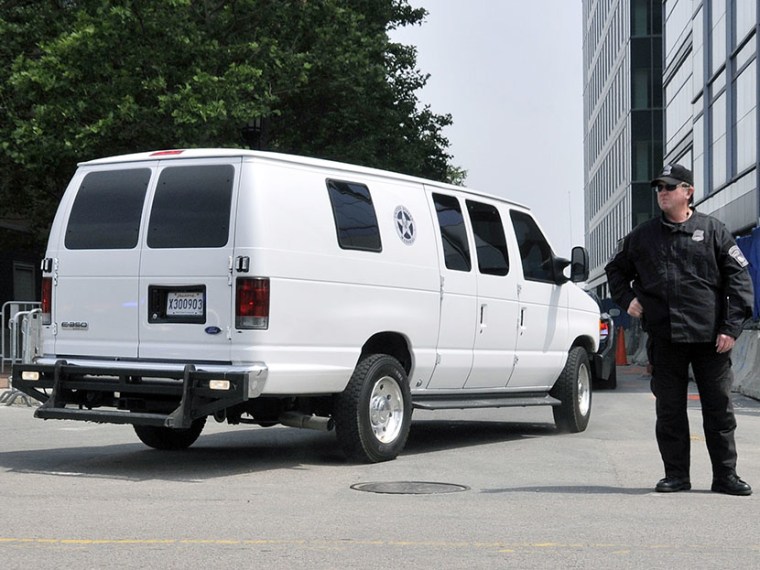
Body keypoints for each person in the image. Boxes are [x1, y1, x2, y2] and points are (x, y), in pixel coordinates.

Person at [605, 164, 755, 496]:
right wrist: (627, 299)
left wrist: (731, 328)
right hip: (665, 338)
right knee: (669, 411)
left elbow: (739, 281)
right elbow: (615, 269)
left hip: (711, 340)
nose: (662, 193)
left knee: (718, 410)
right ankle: (676, 475)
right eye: (659, 188)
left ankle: (725, 476)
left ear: (688, 191)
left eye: (669, 188)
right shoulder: (642, 236)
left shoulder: (714, 231)